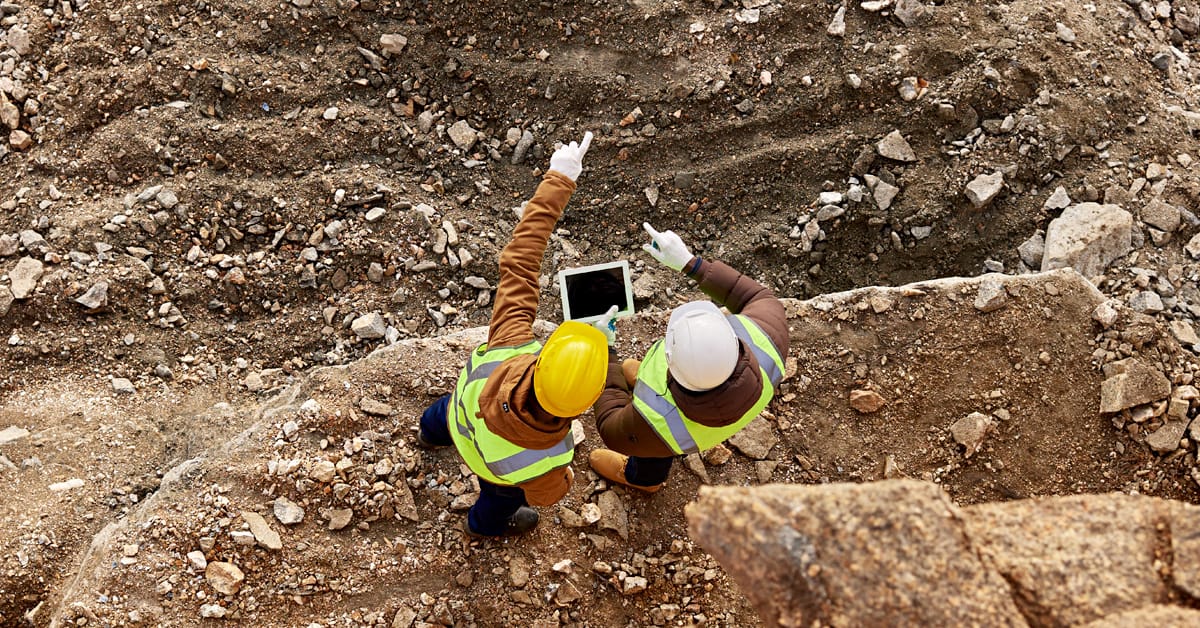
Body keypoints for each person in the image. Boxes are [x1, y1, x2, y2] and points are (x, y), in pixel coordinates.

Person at [417, 132, 608, 537]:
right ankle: (482, 528)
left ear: (545, 358)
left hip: (459, 416)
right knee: (499, 503)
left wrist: (560, 177)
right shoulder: (556, 453)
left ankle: (429, 435)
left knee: (439, 417)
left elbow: (520, 258)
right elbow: (546, 494)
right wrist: (568, 481)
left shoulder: (511, 341)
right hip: (493, 472)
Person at [588, 222, 789, 492]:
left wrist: (606, 351)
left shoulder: (655, 421)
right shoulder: (768, 342)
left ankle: (644, 480)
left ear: (669, 361)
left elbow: (610, 423)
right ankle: (642, 383)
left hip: (667, 434)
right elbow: (756, 295)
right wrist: (690, 263)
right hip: (723, 411)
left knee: (653, 452)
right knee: (658, 438)